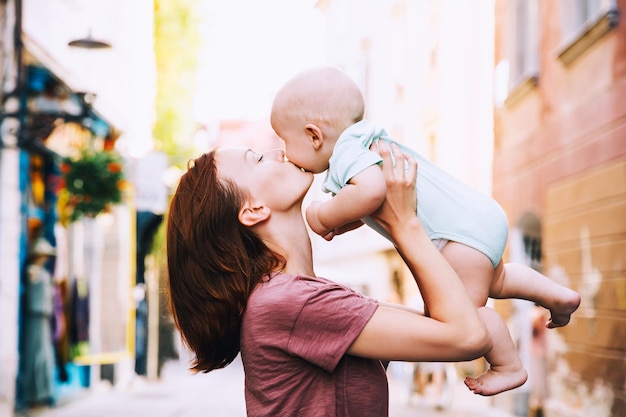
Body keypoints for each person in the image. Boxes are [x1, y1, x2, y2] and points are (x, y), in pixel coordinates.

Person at [269, 65, 581, 396]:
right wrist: (344, 222)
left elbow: (373, 191)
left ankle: (508, 366)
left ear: (314, 135)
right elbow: (375, 205)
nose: (285, 152)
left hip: (455, 237)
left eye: (285, 142)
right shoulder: (366, 140)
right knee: (498, 278)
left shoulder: (345, 153)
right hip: (477, 218)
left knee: (464, 311)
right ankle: (559, 295)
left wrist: (323, 216)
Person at [166, 142, 493, 416]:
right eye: (258, 159)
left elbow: (447, 321)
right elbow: (466, 336)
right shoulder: (289, 304)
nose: (279, 151)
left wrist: (385, 216)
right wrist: (403, 223)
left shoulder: (303, 298)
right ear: (253, 209)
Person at [20, 237, 57, 409]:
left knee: (44, 357)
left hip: (44, 318)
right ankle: (32, 396)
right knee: (34, 356)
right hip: (34, 317)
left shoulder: (42, 272)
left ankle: (43, 394)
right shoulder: (32, 271)